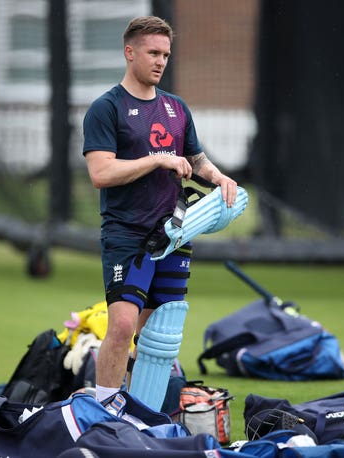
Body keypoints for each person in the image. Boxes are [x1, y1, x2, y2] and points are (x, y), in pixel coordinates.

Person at [82, 15, 238, 403]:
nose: (160, 61)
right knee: (121, 327)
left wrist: (219, 178)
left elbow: (196, 161)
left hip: (174, 235)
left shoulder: (176, 108)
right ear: (129, 52)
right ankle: (101, 413)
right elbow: (100, 173)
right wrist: (156, 159)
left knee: (156, 338)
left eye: (166, 54)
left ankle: (139, 414)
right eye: (153, 52)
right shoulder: (106, 108)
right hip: (127, 234)